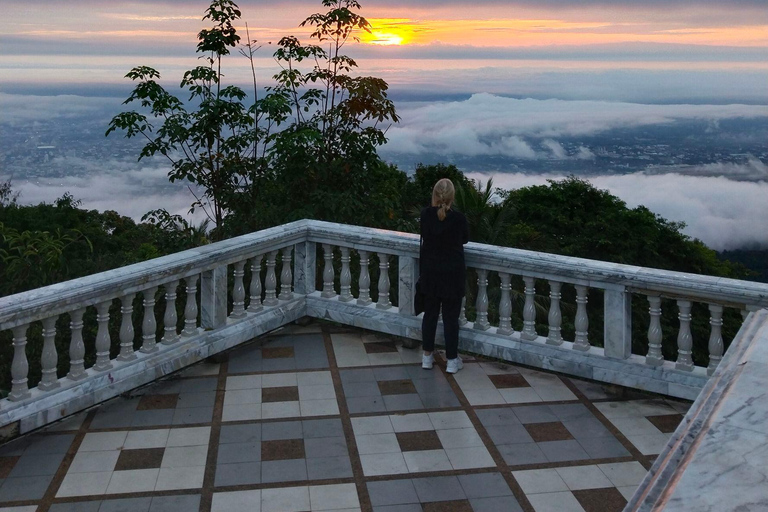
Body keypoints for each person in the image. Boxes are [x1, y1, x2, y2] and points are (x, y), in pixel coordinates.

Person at [419, 178, 469, 374]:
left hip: (431, 272)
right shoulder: (458, 218)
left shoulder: (425, 215)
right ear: (451, 197)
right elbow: (464, 239)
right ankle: (451, 360)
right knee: (450, 318)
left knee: (429, 315)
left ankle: (427, 357)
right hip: (452, 274)